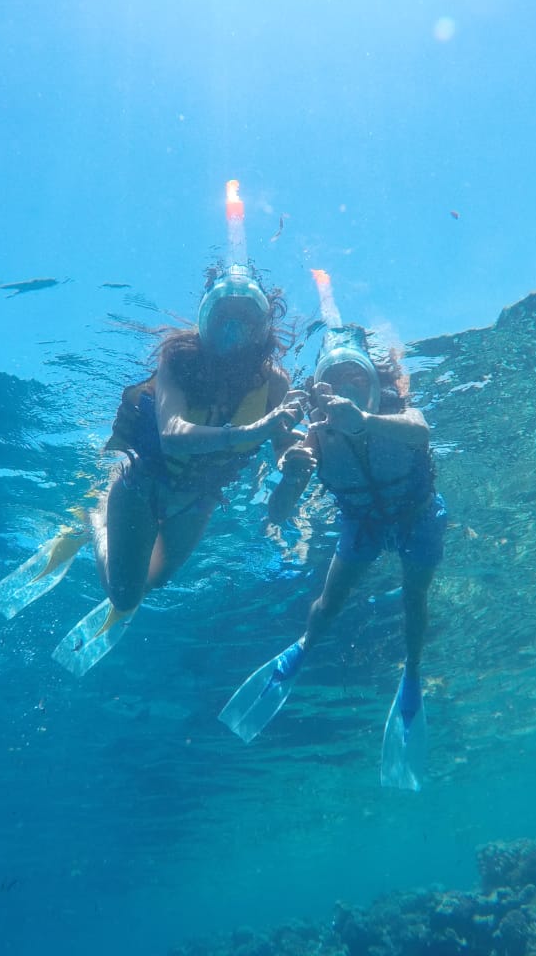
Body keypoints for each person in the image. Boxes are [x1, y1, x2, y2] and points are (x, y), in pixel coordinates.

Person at [47, 262, 305, 675]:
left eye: (244, 319)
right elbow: (171, 432)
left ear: (263, 326)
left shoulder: (276, 383)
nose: (232, 329)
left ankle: (110, 538)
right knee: (124, 597)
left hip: (200, 499)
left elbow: (280, 444)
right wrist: (248, 430)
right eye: (223, 317)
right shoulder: (178, 359)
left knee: (158, 581)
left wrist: (291, 462)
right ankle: (94, 519)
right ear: (206, 317)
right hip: (143, 486)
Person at [218, 323, 446, 790]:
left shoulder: (396, 413)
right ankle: (305, 645)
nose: (348, 388)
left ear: (375, 381)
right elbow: (278, 516)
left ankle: (413, 668)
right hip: (361, 524)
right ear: (321, 391)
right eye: (336, 380)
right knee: (326, 606)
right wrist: (290, 480)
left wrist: (364, 421)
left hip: (417, 516)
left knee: (414, 599)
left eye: (358, 378)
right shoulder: (316, 438)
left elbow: (421, 432)